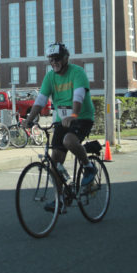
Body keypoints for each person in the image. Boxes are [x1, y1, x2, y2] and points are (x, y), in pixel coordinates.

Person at [26, 42, 96, 205]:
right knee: (55, 162)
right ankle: (60, 199)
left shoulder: (77, 72)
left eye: (57, 58)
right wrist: (29, 119)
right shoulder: (50, 77)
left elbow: (78, 96)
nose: (54, 62)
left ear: (65, 58)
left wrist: (73, 114)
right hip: (61, 120)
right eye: (51, 59)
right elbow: (41, 99)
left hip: (82, 117)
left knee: (69, 141)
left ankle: (88, 166)